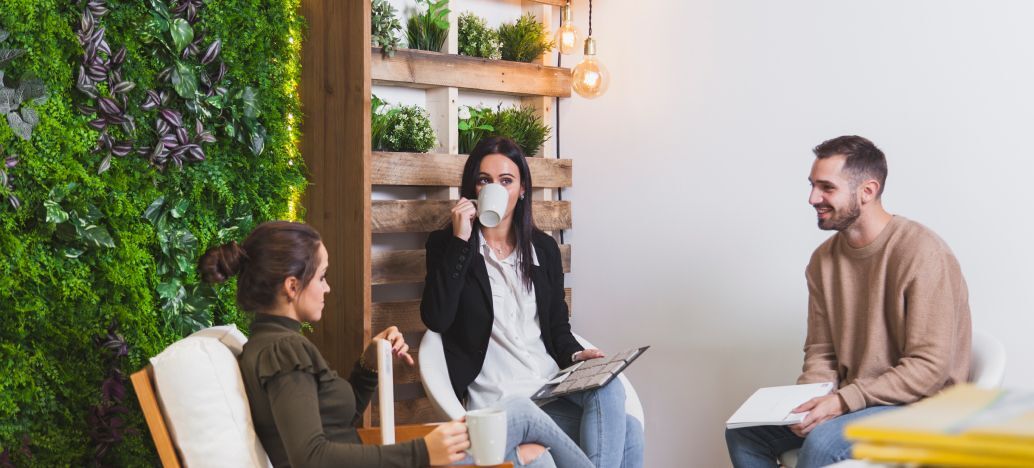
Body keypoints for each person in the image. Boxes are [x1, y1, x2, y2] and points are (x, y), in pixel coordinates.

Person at [199, 220, 594, 468]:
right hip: (406, 462)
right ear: (291, 286)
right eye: (321, 277)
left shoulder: (276, 345)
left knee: (541, 451)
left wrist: (369, 366)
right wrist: (424, 453)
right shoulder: (282, 351)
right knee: (521, 418)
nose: (327, 287)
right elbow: (311, 456)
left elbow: (337, 425)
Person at [725, 135, 972, 468]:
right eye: (812, 186)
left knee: (823, 444)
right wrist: (810, 402)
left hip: (923, 407)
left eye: (827, 188)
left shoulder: (923, 253)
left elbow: (928, 368)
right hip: (858, 401)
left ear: (867, 191)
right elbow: (821, 350)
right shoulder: (822, 261)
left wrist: (842, 402)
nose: (813, 198)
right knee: (745, 433)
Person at [420, 137, 645, 468]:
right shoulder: (448, 244)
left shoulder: (543, 249)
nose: (494, 188)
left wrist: (576, 354)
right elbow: (436, 318)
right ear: (472, 189)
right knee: (627, 432)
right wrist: (461, 241)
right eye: (484, 180)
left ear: (522, 189)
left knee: (616, 402)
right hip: (501, 403)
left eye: (506, 180)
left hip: (549, 393)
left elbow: (557, 326)